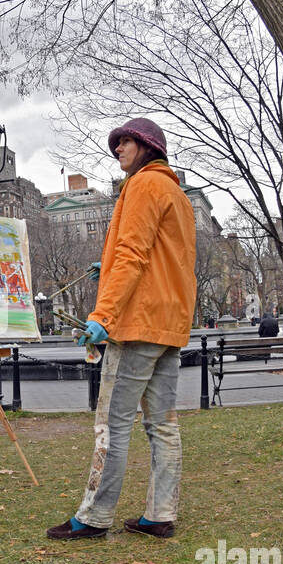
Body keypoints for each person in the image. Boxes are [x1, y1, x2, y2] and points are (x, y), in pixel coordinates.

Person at [47, 117, 196, 541]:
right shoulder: (176, 194)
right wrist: (107, 267)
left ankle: (95, 516)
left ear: (147, 146)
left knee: (111, 424)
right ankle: (160, 513)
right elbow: (165, 260)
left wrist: (102, 317)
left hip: (137, 324)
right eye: (117, 144)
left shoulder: (143, 186)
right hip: (169, 325)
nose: (118, 150)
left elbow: (133, 253)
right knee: (163, 424)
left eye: (125, 142)